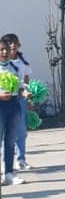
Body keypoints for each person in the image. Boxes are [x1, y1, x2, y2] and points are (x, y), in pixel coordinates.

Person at [1, 33, 31, 173]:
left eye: (7, 49)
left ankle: (14, 167)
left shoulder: (18, 65)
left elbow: (22, 84)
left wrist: (25, 93)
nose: (6, 51)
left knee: (15, 136)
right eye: (2, 49)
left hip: (15, 103)